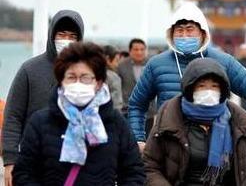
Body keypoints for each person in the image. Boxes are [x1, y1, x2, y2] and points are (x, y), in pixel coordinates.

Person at [128, 2, 246, 151]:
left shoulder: (223, 61)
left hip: (213, 150)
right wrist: (138, 139)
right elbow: (137, 104)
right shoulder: (156, 64)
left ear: (203, 33)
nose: (184, 36)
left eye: (190, 30)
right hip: (168, 149)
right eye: (179, 31)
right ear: (171, 33)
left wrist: (243, 137)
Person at [12, 42, 145, 185]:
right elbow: (23, 173)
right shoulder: (40, 122)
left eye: (85, 77)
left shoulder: (116, 122)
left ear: (99, 82)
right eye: (71, 77)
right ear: (61, 81)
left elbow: (134, 172)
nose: (78, 83)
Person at [144, 58, 246, 186]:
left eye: (214, 86)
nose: (208, 92)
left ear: (222, 90)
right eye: (201, 86)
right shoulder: (170, 118)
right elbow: (150, 166)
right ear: (190, 88)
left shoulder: (239, 122)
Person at [2, 10, 84, 186]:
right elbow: (13, 116)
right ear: (52, 35)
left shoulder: (88, 73)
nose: (66, 40)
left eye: (72, 36)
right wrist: (9, 161)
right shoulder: (29, 70)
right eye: (61, 34)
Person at [117, 38, 156, 137]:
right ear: (130, 51)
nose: (139, 52)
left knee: (145, 140)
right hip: (127, 111)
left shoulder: (152, 65)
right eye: (136, 49)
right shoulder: (121, 66)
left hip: (148, 112)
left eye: (142, 49)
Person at [102, 45, 123, 111]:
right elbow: (116, 102)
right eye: (116, 60)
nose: (117, 64)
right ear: (107, 59)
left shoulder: (92, 74)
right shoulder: (113, 77)